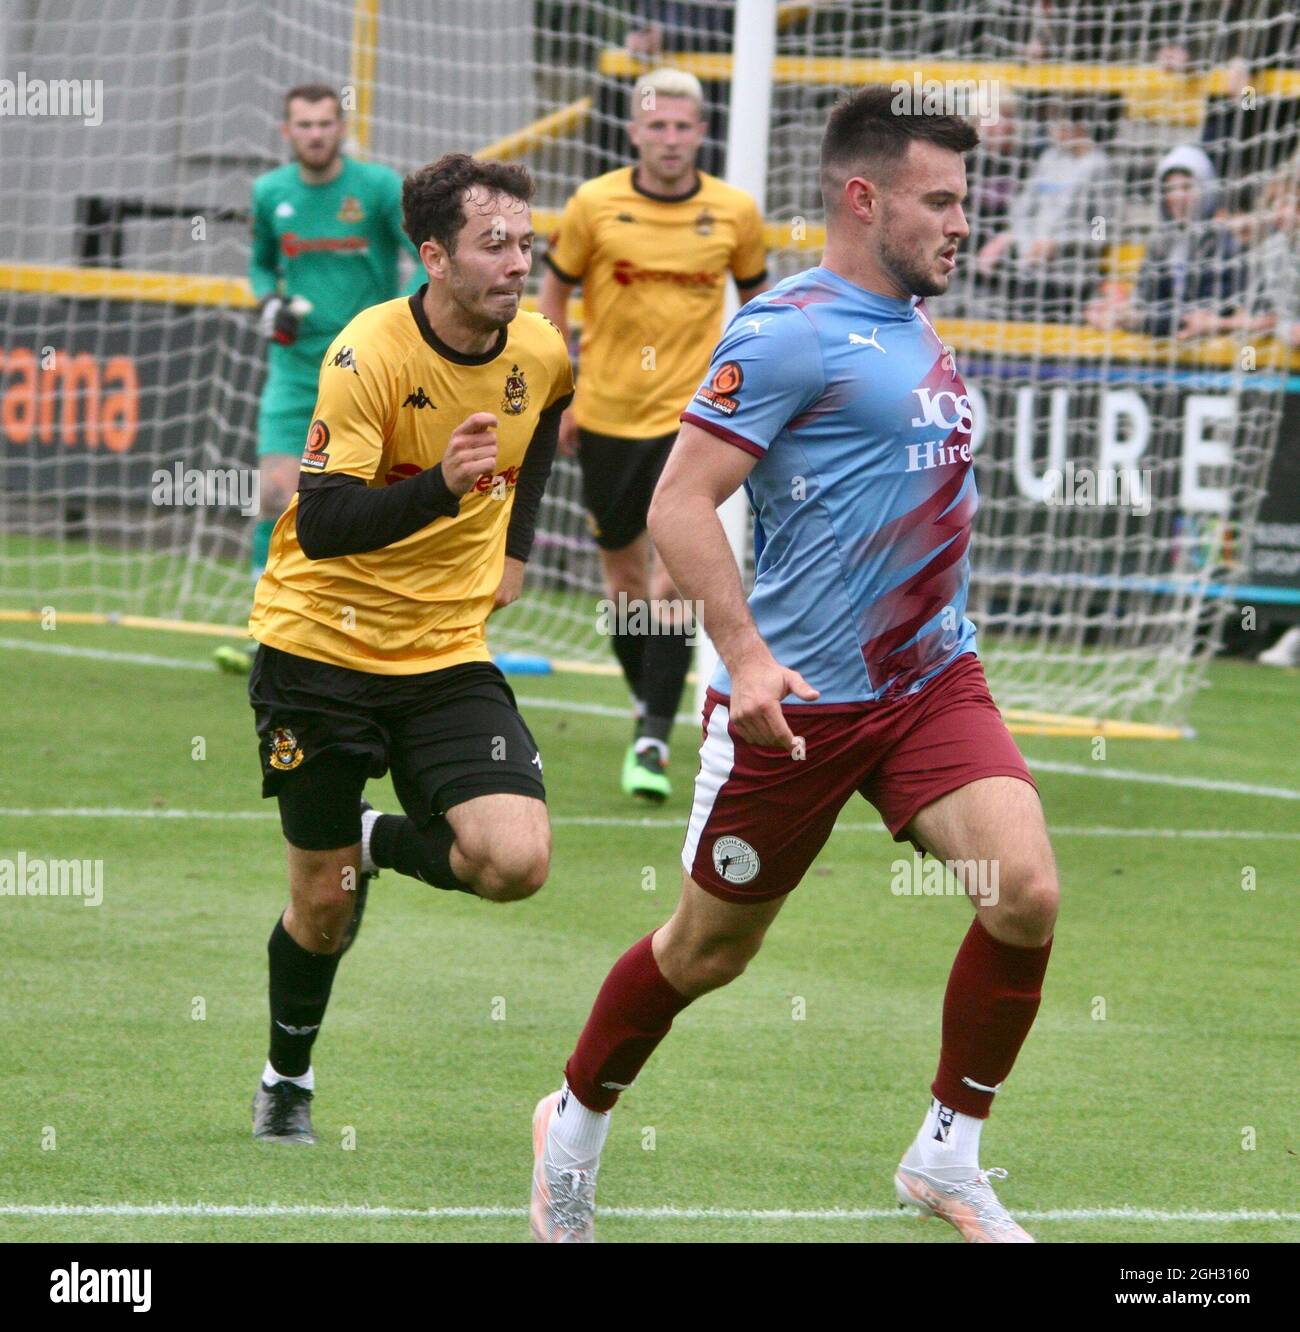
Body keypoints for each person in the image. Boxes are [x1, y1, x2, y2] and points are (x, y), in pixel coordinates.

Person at [530, 86, 1058, 1244]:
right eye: (941, 200)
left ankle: (947, 1157)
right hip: (795, 704)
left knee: (1023, 896)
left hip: (928, 685)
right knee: (705, 953)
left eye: (965, 200)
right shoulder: (784, 329)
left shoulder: (917, 320)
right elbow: (680, 502)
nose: (961, 222)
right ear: (863, 199)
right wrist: (746, 655)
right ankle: (570, 1122)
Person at [245, 154, 573, 1143]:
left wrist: (513, 544)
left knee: (516, 862)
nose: (518, 262)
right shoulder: (366, 354)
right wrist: (440, 485)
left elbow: (547, 417)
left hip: (442, 655)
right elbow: (328, 517)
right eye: (494, 244)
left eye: (525, 241)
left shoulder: (541, 349)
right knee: (323, 909)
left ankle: (378, 838)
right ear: (432, 255)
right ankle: (287, 1074)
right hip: (317, 651)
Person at [539, 66, 768, 802]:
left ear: (702, 132)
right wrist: (560, 383)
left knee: (675, 581)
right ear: (635, 131)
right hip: (606, 416)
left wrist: (757, 395)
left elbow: (762, 304)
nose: (670, 139)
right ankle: (651, 702)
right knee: (625, 586)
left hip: (694, 423)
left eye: (683, 126)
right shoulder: (594, 204)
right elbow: (556, 286)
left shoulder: (734, 212)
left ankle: (651, 739)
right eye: (656, 126)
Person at [214, 83, 419, 674]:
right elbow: (260, 263)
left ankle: (371, 631)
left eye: (325, 123)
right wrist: (267, 300)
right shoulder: (269, 192)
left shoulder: (378, 188)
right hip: (296, 367)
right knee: (277, 494)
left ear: (340, 127)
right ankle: (268, 633)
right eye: (303, 125)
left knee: (368, 501)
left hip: (369, 368)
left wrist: (399, 315)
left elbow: (422, 256)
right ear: (287, 132)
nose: (315, 134)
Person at [974, 96, 1113, 321]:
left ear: (1078, 125)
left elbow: (1102, 231)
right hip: (1029, 270)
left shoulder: (1098, 167)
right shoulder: (1049, 159)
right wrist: (1025, 242)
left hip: (1069, 279)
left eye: (1057, 122)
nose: (1051, 130)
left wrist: (1058, 244)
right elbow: (1021, 211)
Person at [1084, 144, 1244, 337]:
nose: (1178, 197)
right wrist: (1122, 312)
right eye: (1170, 189)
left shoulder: (1222, 242)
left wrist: (1141, 319)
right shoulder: (1160, 243)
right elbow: (1145, 297)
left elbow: (1206, 314)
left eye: (1187, 187)